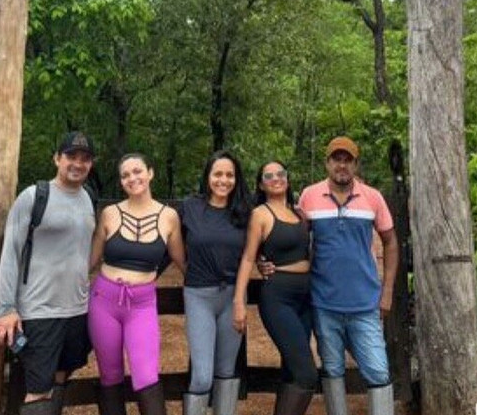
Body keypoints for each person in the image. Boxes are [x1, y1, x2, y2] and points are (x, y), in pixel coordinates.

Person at [0, 131, 98, 415]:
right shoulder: (33, 197)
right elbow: (10, 254)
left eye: (85, 158)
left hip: (76, 310)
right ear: (57, 158)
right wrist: (5, 308)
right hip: (39, 311)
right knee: (38, 389)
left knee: (63, 375)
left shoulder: (88, 198)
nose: (77, 164)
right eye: (71, 157)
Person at [297, 136, 398, 415]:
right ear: (327, 163)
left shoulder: (372, 197)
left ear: (355, 164)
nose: (342, 165)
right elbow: (295, 242)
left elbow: (390, 242)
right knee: (332, 369)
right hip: (324, 302)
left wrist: (386, 290)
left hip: (365, 304)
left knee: (378, 371)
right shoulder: (309, 196)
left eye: (348, 160)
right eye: (336, 159)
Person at [88, 153, 186, 415]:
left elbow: (181, 261)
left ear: (150, 173)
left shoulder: (169, 217)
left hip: (142, 304)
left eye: (137, 171)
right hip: (104, 301)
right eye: (125, 175)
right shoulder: (110, 214)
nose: (133, 178)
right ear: (121, 182)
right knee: (110, 374)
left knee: (146, 374)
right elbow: (89, 260)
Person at [232, 160, 317, 415]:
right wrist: (238, 301)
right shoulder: (260, 214)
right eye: (268, 176)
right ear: (261, 184)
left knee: (292, 372)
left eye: (280, 174)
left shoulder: (300, 214)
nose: (276, 178)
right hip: (278, 297)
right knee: (306, 374)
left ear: (287, 179)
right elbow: (249, 256)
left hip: (306, 297)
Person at [179, 151, 252, 415]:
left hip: (233, 297)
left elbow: (257, 249)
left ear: (237, 178)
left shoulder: (245, 211)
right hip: (199, 295)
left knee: (226, 372)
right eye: (218, 174)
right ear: (208, 176)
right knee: (202, 376)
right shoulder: (190, 207)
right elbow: (169, 243)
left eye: (230, 174)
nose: (224, 180)